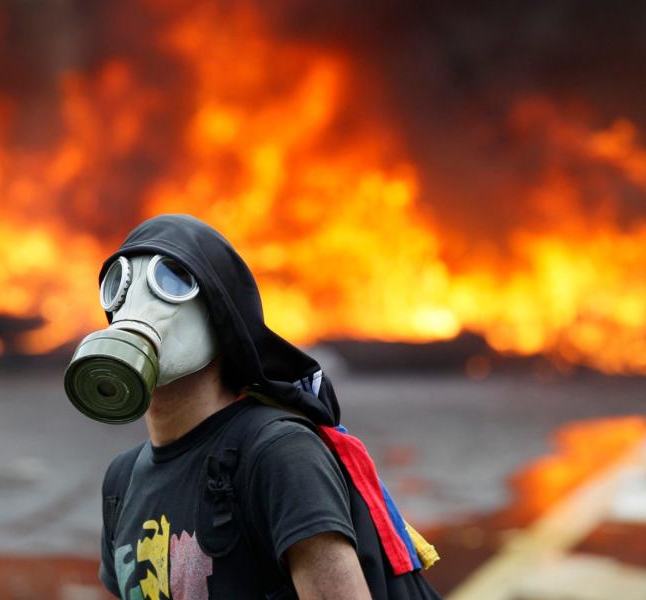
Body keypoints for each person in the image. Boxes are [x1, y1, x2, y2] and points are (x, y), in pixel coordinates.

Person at [64, 214, 441, 599]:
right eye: (120, 286)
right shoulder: (122, 480)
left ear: (222, 317)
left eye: (172, 281)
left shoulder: (279, 453)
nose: (136, 307)